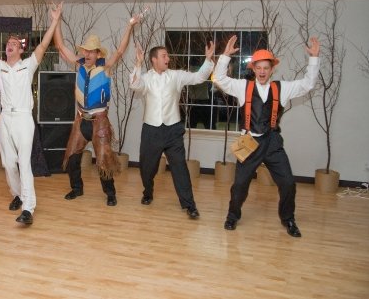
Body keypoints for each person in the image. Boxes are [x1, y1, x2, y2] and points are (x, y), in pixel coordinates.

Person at [213, 35, 320, 237]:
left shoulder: (282, 88)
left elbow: (307, 84)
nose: (262, 71)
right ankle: (232, 216)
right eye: (258, 68)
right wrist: (225, 56)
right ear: (253, 69)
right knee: (240, 185)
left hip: (272, 142)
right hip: (249, 142)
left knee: (288, 183)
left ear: (272, 70)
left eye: (266, 68)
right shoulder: (243, 87)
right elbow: (219, 79)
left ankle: (288, 219)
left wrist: (314, 59)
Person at [0, 0, 62, 225]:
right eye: (8, 43)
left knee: (24, 162)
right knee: (9, 163)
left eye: (14, 43)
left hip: (23, 118)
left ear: (21, 49)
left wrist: (54, 21)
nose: (9, 45)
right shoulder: (0, 67)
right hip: (6, 118)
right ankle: (18, 194)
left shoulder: (28, 65)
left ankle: (28, 208)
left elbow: (43, 46)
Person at [53, 12, 142, 206]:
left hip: (99, 122)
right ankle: (77, 188)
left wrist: (130, 26)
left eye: (91, 51)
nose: (87, 54)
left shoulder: (106, 67)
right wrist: (57, 20)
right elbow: (60, 46)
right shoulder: (79, 65)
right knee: (72, 157)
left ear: (98, 54)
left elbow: (120, 50)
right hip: (80, 120)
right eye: (85, 50)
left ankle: (110, 193)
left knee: (103, 160)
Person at [129, 42, 214, 218]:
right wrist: (138, 63)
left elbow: (198, 77)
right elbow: (134, 85)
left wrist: (207, 60)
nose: (168, 58)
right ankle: (148, 192)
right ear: (154, 60)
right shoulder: (146, 78)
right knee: (147, 168)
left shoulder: (176, 76)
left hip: (173, 130)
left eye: (167, 55)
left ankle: (189, 205)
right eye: (164, 56)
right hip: (151, 130)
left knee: (180, 168)